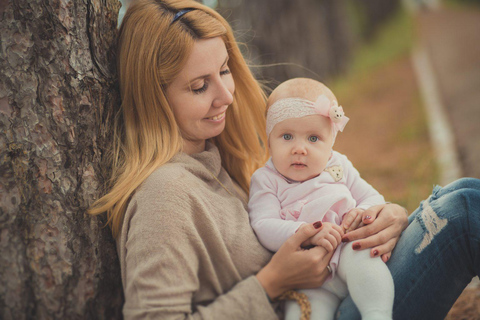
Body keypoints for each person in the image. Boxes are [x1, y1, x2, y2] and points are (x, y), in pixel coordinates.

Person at [88, 0, 480, 319]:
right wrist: (270, 283)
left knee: (460, 194)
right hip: (312, 309)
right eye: (199, 86)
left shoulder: (221, 160)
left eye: (224, 70)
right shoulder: (164, 195)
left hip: (339, 287)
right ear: (153, 97)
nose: (226, 94)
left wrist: (388, 218)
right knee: (463, 212)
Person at [248, 78, 394, 320]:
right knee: (302, 312)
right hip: (307, 275)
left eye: (313, 138)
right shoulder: (266, 179)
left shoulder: (339, 165)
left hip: (347, 249)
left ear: (331, 143)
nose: (299, 148)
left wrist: (363, 211)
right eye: (286, 137)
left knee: (368, 269)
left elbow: (372, 196)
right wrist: (306, 231)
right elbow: (263, 225)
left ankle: (377, 315)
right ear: (269, 140)